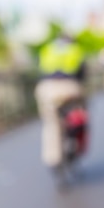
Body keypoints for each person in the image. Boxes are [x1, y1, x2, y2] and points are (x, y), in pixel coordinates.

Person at [34, 33, 87, 170]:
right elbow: (82, 74)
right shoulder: (75, 49)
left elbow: (39, 71)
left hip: (47, 88)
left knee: (50, 121)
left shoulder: (47, 49)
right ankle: (75, 141)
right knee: (80, 110)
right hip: (70, 87)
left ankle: (52, 158)